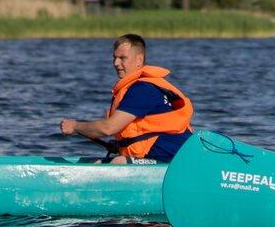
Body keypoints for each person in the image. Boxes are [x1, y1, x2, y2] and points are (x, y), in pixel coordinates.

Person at [59, 34, 193, 164]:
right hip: (161, 155)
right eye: (114, 58)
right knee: (98, 162)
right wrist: (120, 145)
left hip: (176, 159)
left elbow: (108, 128)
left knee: (118, 162)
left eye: (122, 58)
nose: (116, 63)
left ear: (139, 60)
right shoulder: (137, 87)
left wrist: (75, 126)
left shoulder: (143, 89)